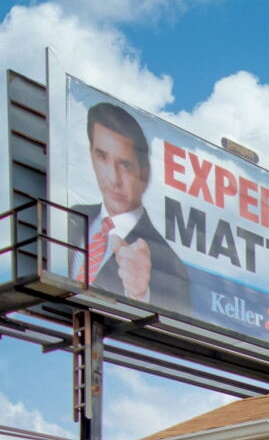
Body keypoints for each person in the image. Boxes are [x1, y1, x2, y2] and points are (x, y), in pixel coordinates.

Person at [71, 101, 190, 310]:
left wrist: (140, 296)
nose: (113, 179)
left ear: (145, 173)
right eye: (102, 157)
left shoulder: (171, 267)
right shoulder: (69, 218)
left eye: (125, 165)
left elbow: (175, 325)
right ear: (91, 154)